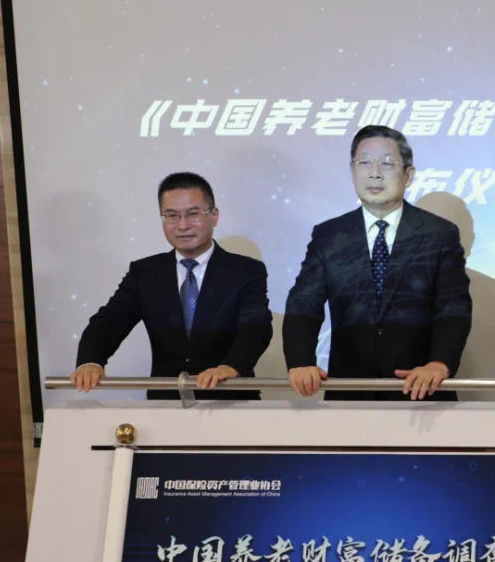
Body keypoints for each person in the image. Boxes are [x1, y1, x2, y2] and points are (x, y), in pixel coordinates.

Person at [283, 125, 472, 400]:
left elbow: (453, 306)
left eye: (386, 163)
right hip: (350, 392)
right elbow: (303, 303)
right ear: (352, 171)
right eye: (364, 163)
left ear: (408, 175)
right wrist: (300, 361)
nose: (374, 173)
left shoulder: (439, 234)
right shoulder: (330, 236)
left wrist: (440, 363)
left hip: (421, 390)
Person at [71, 172, 272, 399]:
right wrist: (90, 361)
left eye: (193, 214)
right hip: (166, 401)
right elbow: (110, 321)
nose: (182, 225)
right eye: (172, 216)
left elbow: (256, 326)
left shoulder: (246, 271)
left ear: (214, 216)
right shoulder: (145, 273)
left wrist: (231, 367)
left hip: (230, 399)